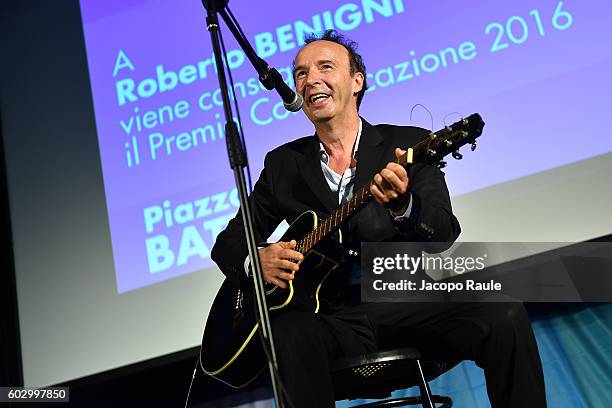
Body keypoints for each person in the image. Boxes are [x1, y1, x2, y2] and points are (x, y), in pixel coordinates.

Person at [211, 30, 546, 408]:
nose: (310, 80)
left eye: (325, 67)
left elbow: (442, 233)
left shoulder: (406, 144)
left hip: (403, 305)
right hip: (328, 321)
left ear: (357, 81)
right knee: (285, 331)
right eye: (301, 73)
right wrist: (255, 260)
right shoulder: (283, 165)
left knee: (502, 310)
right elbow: (229, 240)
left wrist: (404, 207)